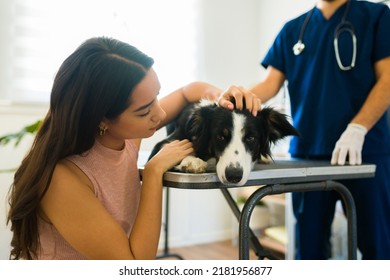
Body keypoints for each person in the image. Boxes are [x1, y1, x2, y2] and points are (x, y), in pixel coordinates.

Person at [6, 36, 229, 260]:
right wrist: (153, 172)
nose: (160, 114)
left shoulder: (123, 139)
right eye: (144, 112)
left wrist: (221, 96)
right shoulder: (61, 179)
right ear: (101, 120)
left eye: (157, 97)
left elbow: (187, 92)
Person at [219, 0, 390, 259]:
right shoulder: (294, 30)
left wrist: (358, 127)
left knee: (378, 247)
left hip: (365, 152)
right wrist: (233, 98)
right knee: (308, 250)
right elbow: (269, 85)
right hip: (308, 154)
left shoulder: (376, 16)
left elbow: (388, 78)